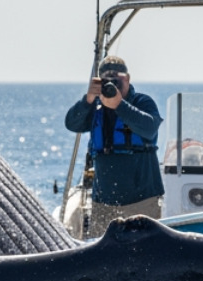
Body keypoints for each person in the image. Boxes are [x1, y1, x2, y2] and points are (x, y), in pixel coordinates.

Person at [64, 55, 165, 238]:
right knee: (106, 253)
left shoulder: (143, 102)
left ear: (127, 78)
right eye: (106, 80)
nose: (111, 85)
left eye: (116, 80)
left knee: (145, 250)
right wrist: (87, 100)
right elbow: (72, 124)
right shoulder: (95, 107)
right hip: (104, 201)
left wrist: (119, 105)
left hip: (142, 198)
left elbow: (149, 128)